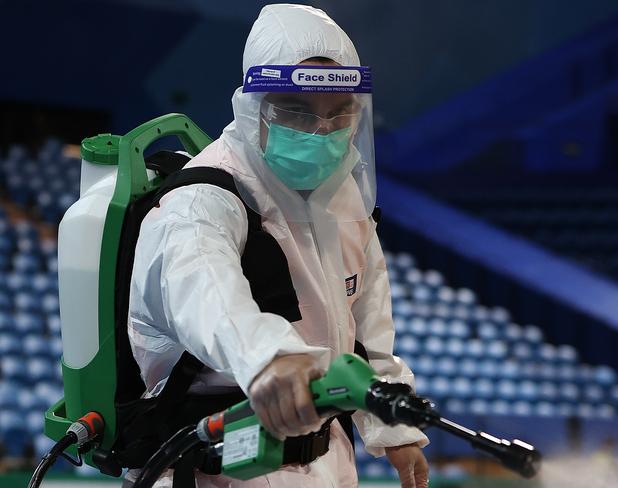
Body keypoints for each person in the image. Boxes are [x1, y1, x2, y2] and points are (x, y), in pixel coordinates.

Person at [125, 4, 429, 487]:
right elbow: (206, 298)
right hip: (214, 463)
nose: (321, 132)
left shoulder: (343, 201)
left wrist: (396, 429)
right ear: (254, 106)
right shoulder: (201, 199)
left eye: (340, 114)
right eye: (296, 110)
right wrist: (272, 358)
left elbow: (365, 329)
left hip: (326, 460)